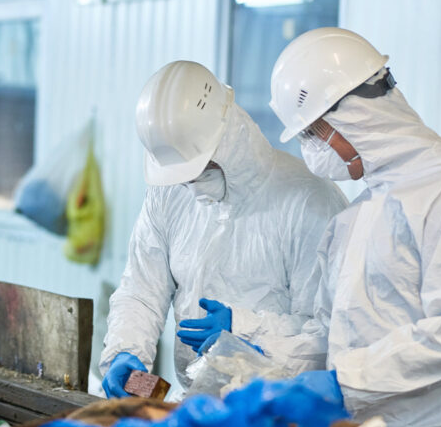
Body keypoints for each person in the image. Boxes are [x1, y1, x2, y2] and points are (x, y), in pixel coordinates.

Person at [261, 27, 441, 427]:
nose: (311, 151)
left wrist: (345, 383)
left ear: (352, 119)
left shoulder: (438, 193)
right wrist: (252, 346)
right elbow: (332, 332)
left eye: (311, 135)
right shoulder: (358, 216)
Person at [99, 60, 347, 400]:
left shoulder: (309, 201)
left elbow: (328, 332)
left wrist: (245, 331)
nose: (190, 185)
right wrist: (125, 350)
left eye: (200, 170)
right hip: (194, 405)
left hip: (277, 411)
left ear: (228, 140)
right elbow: (142, 289)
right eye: (181, 175)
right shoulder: (169, 190)